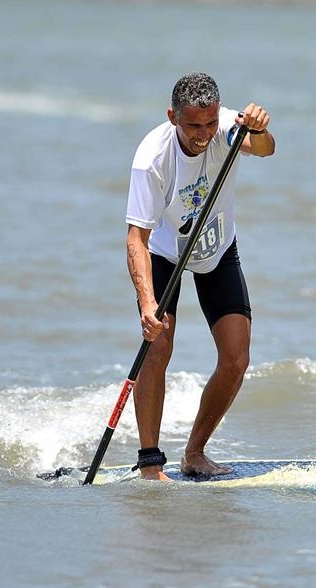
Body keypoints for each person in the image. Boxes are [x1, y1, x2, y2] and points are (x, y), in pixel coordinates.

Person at [125, 72, 275, 480]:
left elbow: (264, 149)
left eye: (210, 124)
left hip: (217, 248)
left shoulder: (227, 126)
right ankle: (150, 463)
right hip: (164, 253)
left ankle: (194, 453)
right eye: (193, 125)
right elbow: (136, 238)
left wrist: (260, 130)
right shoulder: (151, 158)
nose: (204, 134)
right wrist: (147, 303)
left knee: (236, 358)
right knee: (158, 347)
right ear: (173, 116)